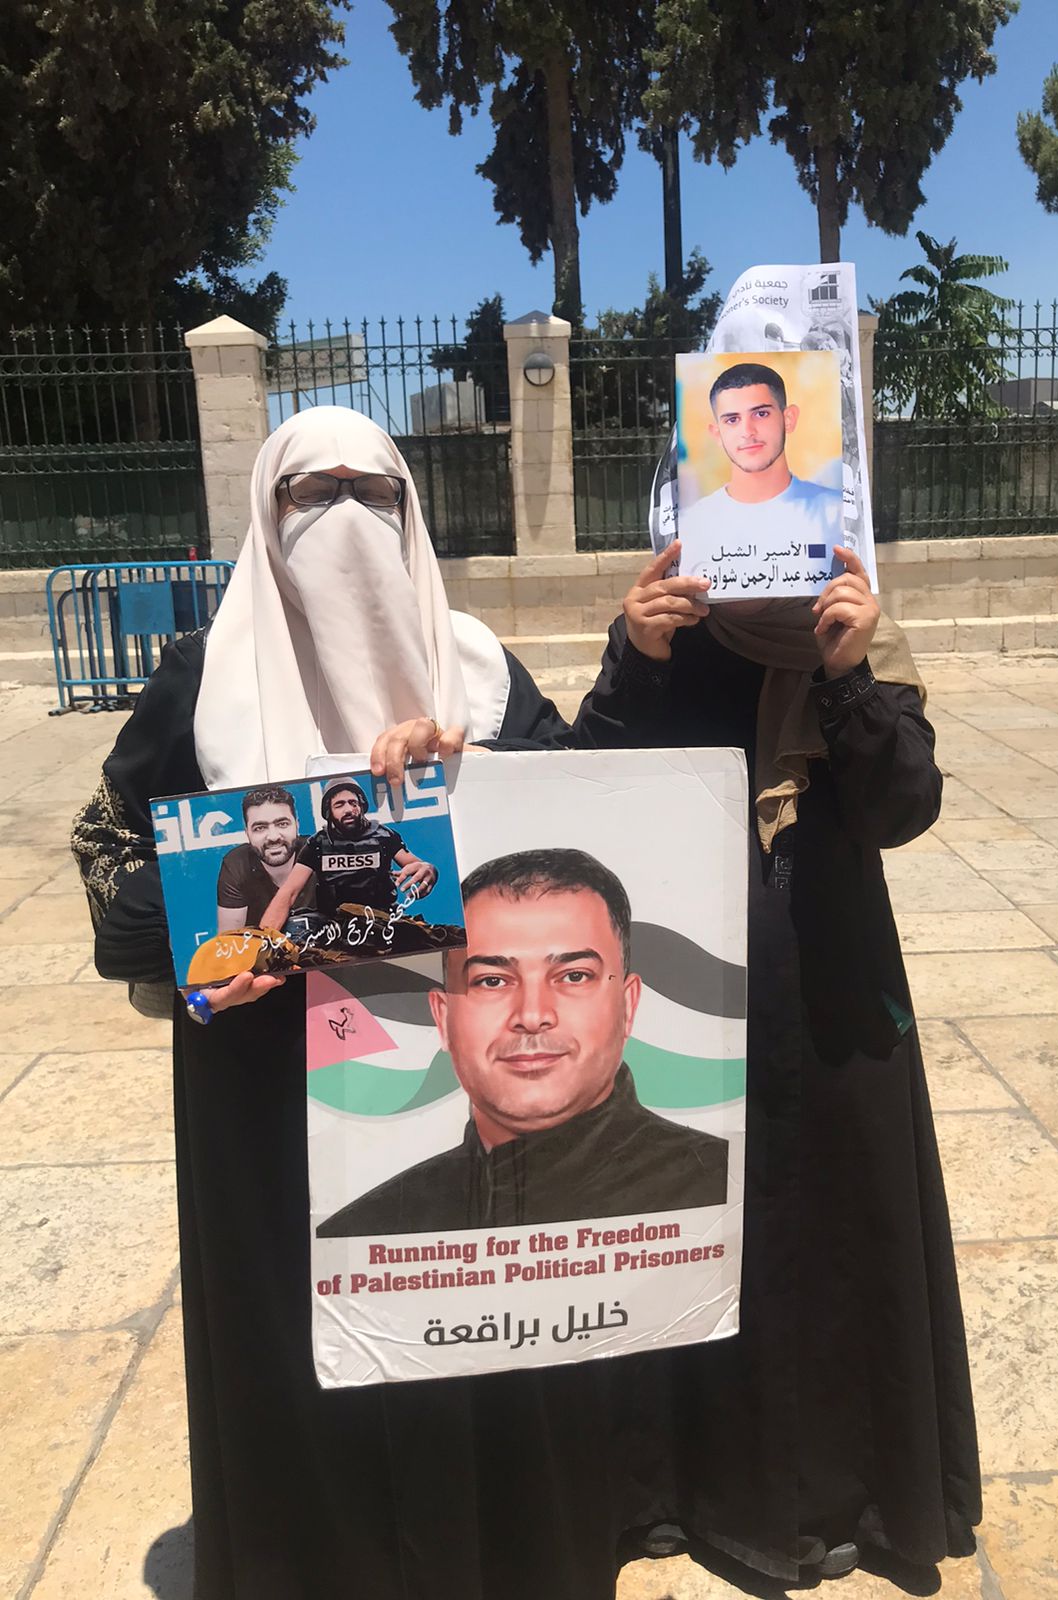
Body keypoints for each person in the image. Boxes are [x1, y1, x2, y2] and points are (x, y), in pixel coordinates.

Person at [72, 407, 645, 1600]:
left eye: (372, 492)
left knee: (477, 1323)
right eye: (310, 492)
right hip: (267, 1097)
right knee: (300, 1339)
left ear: (411, 511)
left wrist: (474, 778)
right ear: (264, 514)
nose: (343, 517)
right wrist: (257, 878)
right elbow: (111, 867)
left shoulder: (478, 669)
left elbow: (582, 830)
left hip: (460, 1082)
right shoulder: (204, 680)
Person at [570, 537, 981, 1584]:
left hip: (833, 994)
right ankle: (680, 1488)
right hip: (686, 994)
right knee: (688, 1220)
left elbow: (902, 807)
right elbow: (588, 797)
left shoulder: (856, 635)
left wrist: (846, 675)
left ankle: (842, 1492)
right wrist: (637, 662)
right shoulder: (668, 632)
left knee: (834, 1228)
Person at [317, 847, 728, 1236]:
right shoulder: (363, 1233)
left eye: (574, 976)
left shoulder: (724, 1190)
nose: (532, 1016)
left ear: (628, 1005)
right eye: (492, 981)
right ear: (443, 1017)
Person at [682, 361, 843, 551]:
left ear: (788, 419)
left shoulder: (837, 515)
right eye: (732, 420)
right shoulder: (691, 526)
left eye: (761, 414)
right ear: (717, 434)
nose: (747, 431)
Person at [259, 777, 436, 930]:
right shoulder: (318, 843)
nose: (348, 809)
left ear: (361, 806)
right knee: (295, 928)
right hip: (333, 924)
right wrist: (265, 937)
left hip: (380, 918)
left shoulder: (383, 836)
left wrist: (429, 870)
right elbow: (289, 892)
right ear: (329, 811)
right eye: (339, 804)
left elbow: (417, 865)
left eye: (353, 803)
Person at [215, 785, 314, 931]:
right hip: (261, 945)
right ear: (247, 832)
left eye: (282, 824)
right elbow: (230, 941)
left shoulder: (319, 852)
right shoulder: (236, 865)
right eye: (260, 828)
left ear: (297, 825)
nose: (273, 837)